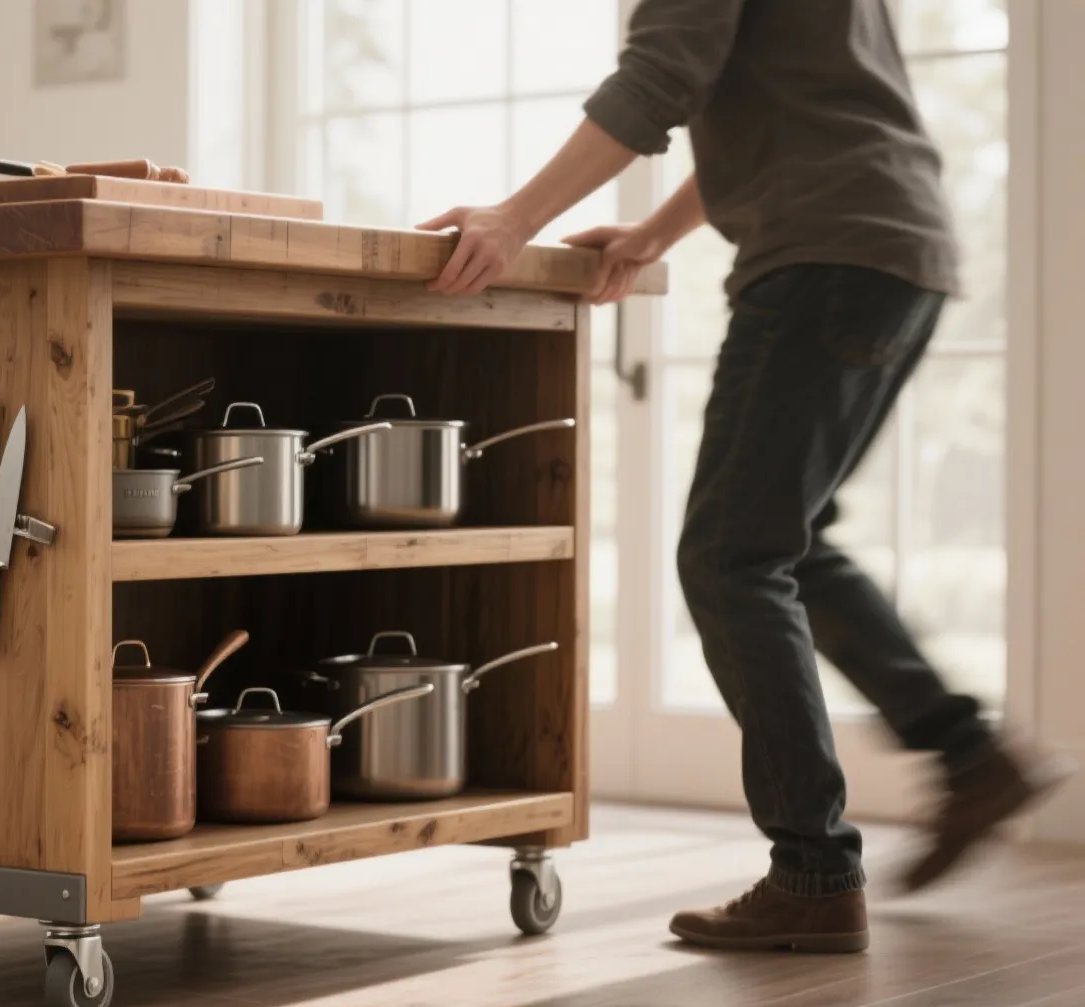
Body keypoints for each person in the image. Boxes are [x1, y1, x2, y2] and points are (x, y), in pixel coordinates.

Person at [419, 0, 1072, 954]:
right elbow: (788, 97)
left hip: (825, 254)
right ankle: (969, 755)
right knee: (785, 545)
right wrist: (652, 233)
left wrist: (515, 218)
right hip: (895, 246)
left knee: (730, 558)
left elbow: (658, 83)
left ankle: (814, 870)